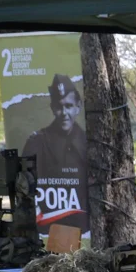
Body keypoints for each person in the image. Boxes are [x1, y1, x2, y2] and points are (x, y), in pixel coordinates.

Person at [22, 74, 89, 232]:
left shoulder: (88, 143)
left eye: (69, 106)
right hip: (46, 227)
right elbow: (24, 186)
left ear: (78, 107)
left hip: (84, 229)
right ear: (53, 108)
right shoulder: (36, 142)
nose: (64, 112)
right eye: (59, 107)